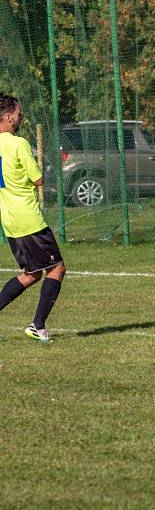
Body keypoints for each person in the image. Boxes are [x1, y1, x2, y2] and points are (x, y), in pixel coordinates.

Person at [0, 94, 66, 342]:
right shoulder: (18, 144)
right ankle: (37, 325)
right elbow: (37, 178)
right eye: (18, 113)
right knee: (57, 268)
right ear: (8, 117)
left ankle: (37, 324)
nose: (20, 117)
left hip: (9, 220)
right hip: (28, 219)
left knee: (31, 273)